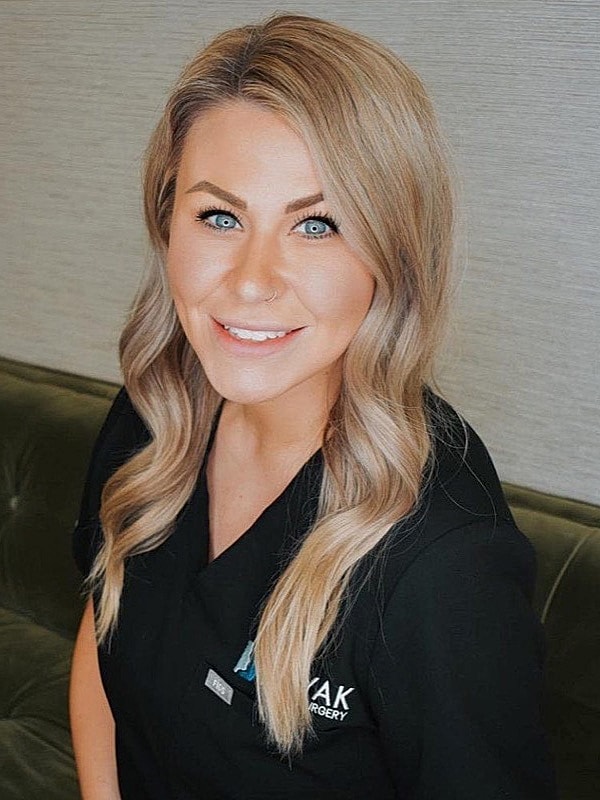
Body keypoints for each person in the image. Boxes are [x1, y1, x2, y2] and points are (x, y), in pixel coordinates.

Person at [69, 12, 558, 800]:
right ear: (166, 225)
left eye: (317, 224)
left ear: (395, 255)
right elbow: (103, 630)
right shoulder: (157, 406)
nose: (252, 280)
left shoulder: (443, 564)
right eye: (219, 217)